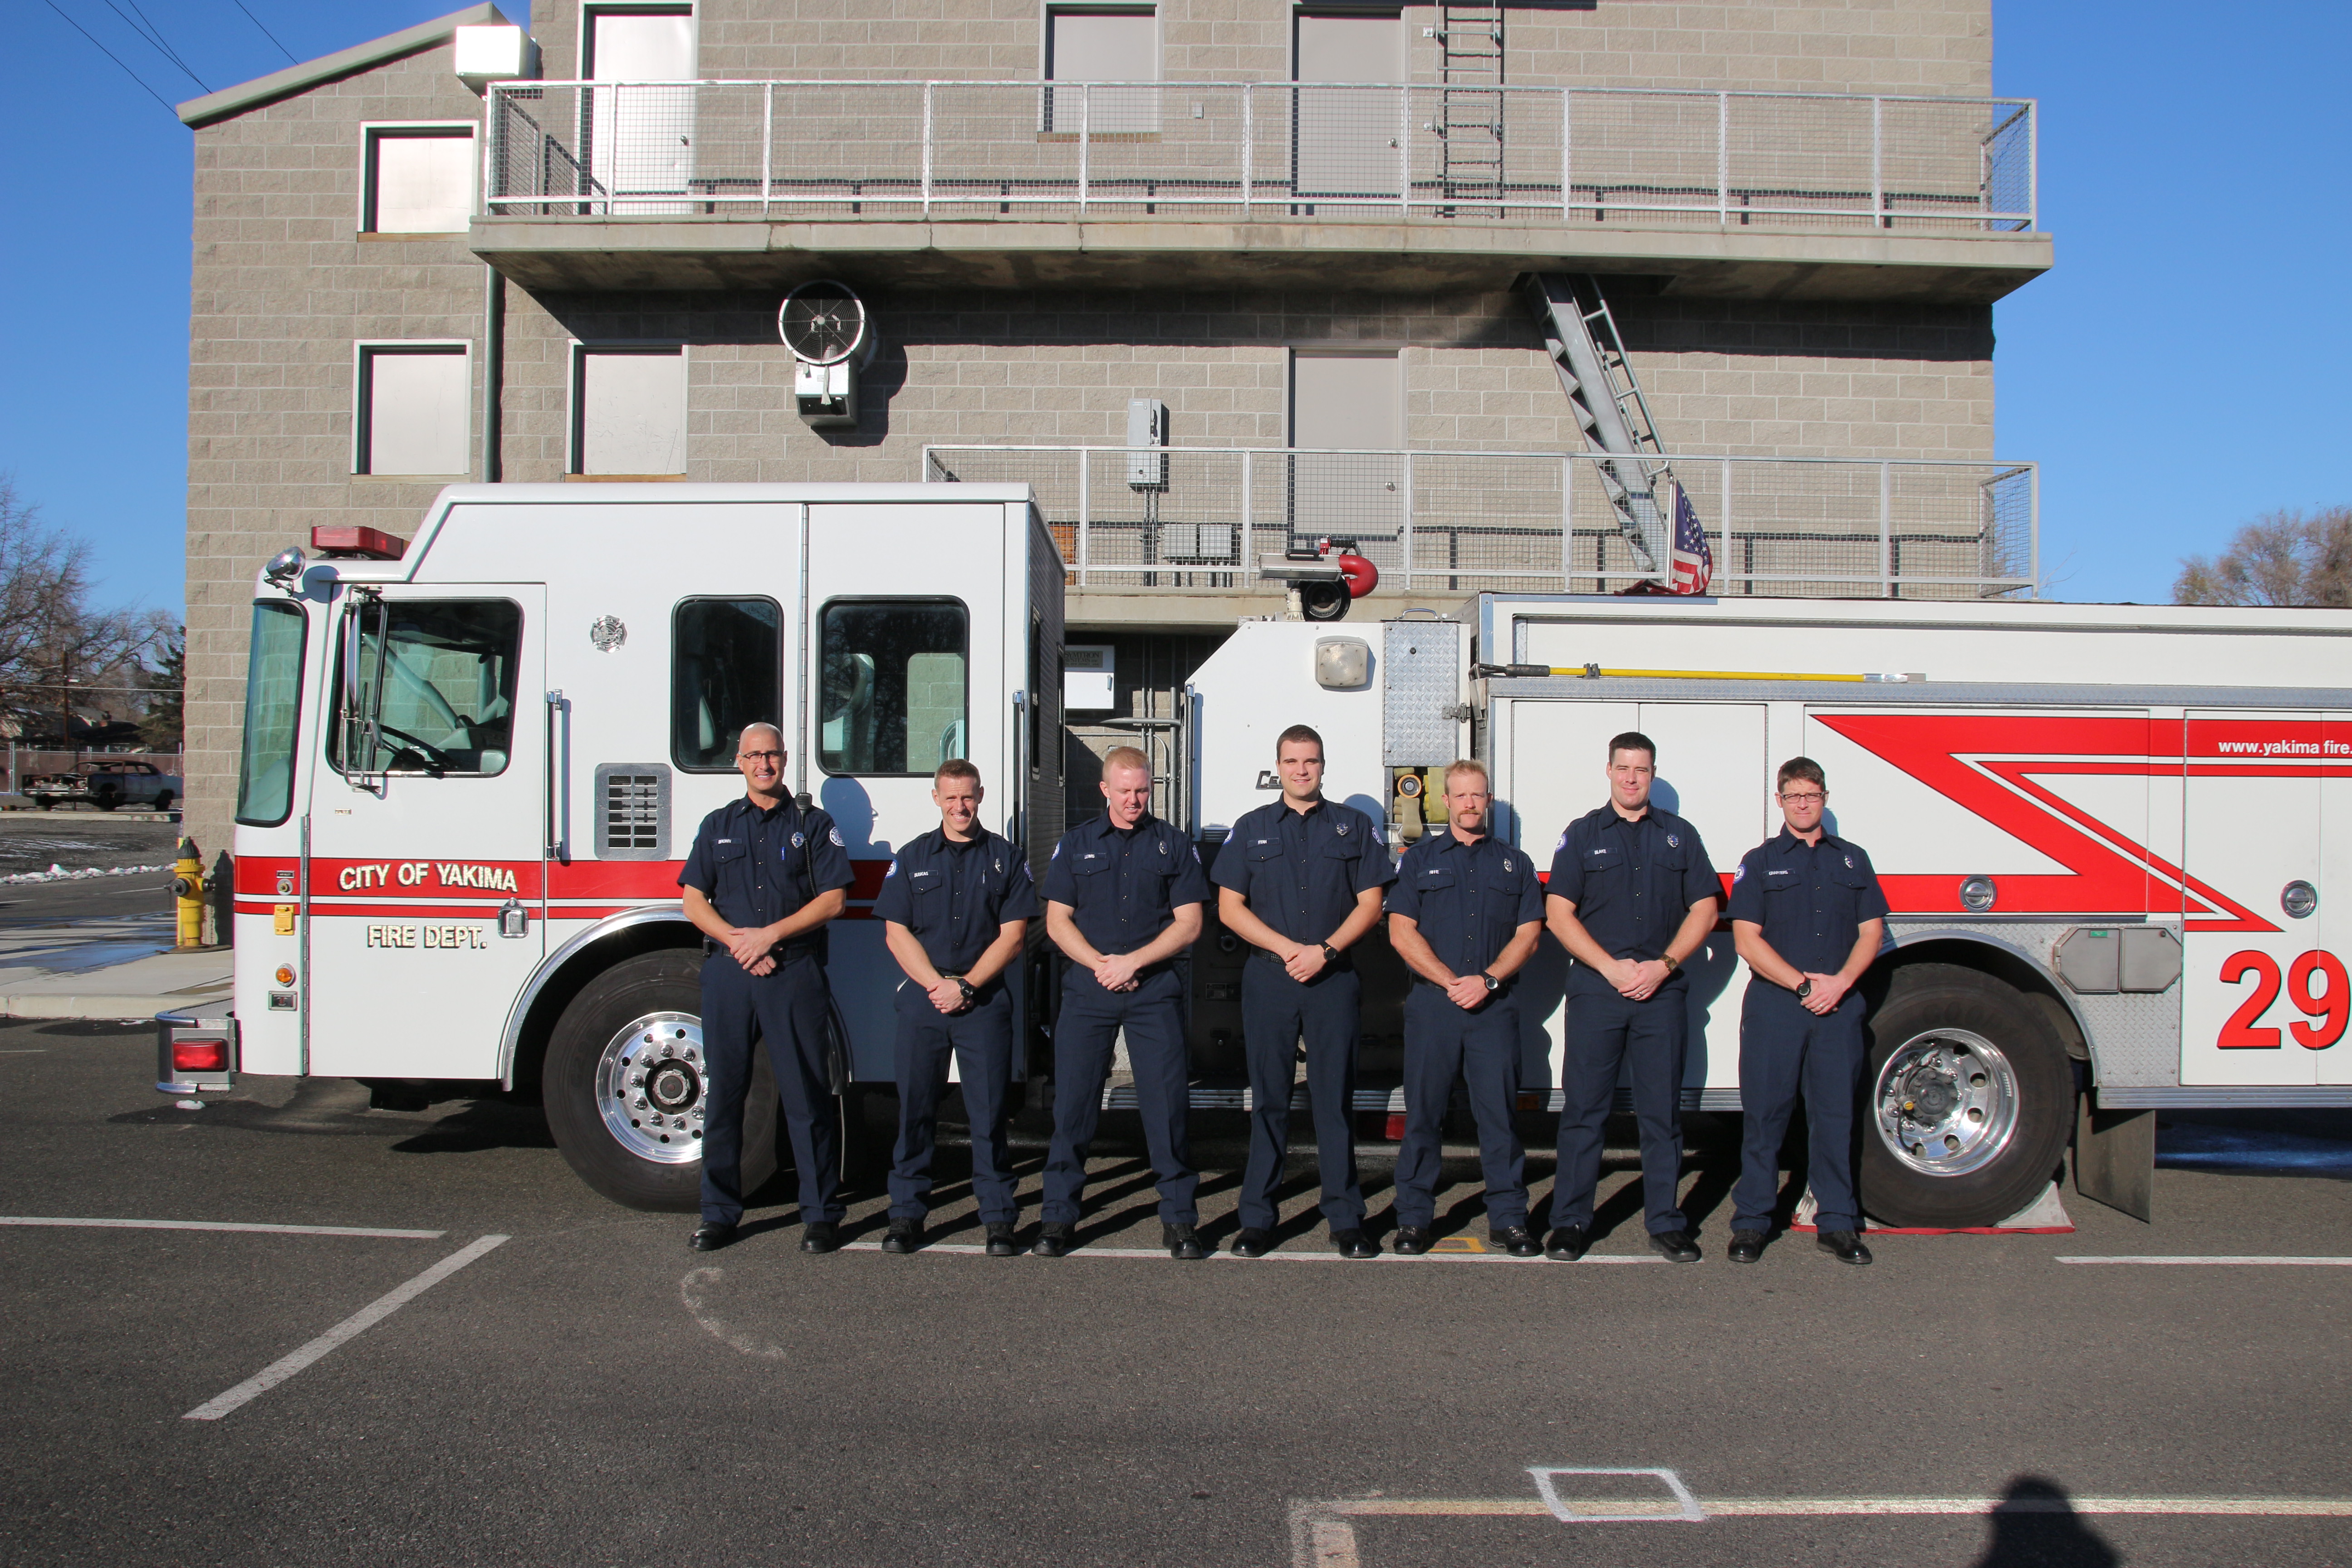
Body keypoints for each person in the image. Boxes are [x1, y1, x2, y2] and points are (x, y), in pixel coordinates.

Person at [1210, 724, 1393, 1259]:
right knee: (1269, 1101)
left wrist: (1325, 951)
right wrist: (1290, 949)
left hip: (1333, 978)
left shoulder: (1355, 827)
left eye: (1310, 761)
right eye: (1291, 761)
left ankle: (1346, 1218)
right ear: (1278, 767)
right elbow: (1229, 908)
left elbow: (1372, 904)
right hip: (1270, 978)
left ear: (1323, 766)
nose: (1301, 770)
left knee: (1333, 1101)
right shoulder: (1251, 828)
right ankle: (1257, 1219)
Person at [1544, 732, 1720, 1263]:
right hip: (1598, 991)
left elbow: (1706, 909)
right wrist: (1610, 967)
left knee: (1662, 1113)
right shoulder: (1582, 834)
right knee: (1584, 1110)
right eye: (1623, 768)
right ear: (1609, 770)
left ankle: (1665, 1222)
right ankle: (1571, 1221)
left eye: (1641, 770)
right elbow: (1558, 913)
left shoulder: (1680, 836)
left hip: (1661, 994)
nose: (1631, 778)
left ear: (1652, 775)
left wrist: (1664, 965)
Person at [677, 723, 854, 1254]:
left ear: (784, 759)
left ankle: (821, 1214)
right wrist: (740, 943)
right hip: (731, 974)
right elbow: (693, 901)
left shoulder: (813, 825)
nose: (763, 764)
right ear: (739, 762)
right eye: (753, 756)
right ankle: (718, 1214)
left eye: (771, 754)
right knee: (724, 1097)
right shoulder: (717, 825)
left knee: (806, 1097)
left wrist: (769, 936)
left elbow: (834, 901)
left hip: (793, 972)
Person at [1038, 746, 1213, 1259]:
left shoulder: (1173, 844)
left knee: (1166, 1107)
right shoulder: (1075, 844)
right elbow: (1056, 922)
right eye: (1124, 791)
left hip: (1153, 990)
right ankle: (1058, 1217)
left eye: (1142, 790)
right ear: (1105, 790)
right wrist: (1102, 966)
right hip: (1089, 990)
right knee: (1073, 1107)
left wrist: (1132, 963)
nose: (1134, 800)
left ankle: (1179, 1219)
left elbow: (1190, 924)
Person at [1725, 756, 1890, 1266]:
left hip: (1837, 1007)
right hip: (1777, 1007)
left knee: (1835, 1118)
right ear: (1779, 801)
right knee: (1765, 1118)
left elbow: (1872, 932)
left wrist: (1840, 983)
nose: (1803, 804)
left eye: (1812, 796)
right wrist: (1801, 985)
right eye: (1794, 796)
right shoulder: (1760, 861)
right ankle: (1752, 1222)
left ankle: (1837, 1223)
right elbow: (1746, 940)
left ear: (1824, 799)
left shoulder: (1853, 860)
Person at [873, 759, 1039, 1258]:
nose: (960, 806)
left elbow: (1014, 937)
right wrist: (937, 985)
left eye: (967, 796)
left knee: (988, 1115)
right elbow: (895, 932)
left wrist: (965, 986)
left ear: (981, 795)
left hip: (983, 1000)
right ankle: (906, 1215)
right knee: (916, 1111)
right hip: (925, 1000)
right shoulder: (912, 856)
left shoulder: (1006, 858)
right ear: (936, 799)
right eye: (950, 797)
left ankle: (999, 1218)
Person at [1383, 759, 1547, 1257]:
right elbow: (1401, 932)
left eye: (1478, 795)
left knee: (1499, 1119)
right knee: (1423, 1116)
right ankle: (1413, 1219)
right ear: (1446, 801)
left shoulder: (1515, 864)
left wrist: (1488, 980)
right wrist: (1450, 981)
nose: (1470, 803)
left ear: (1488, 800)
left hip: (1493, 1008)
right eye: (1461, 795)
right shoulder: (1418, 860)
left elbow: (1529, 935)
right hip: (1434, 1007)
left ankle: (1510, 1220)